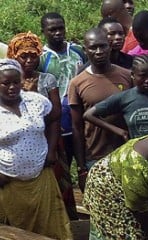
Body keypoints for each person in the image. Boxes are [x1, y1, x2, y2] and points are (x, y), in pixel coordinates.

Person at [0, 58, 71, 240]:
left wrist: (51, 149)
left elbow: (55, 118)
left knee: (49, 231)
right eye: (5, 83)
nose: (12, 87)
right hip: (8, 183)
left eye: (16, 82)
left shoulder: (36, 101)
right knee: (11, 236)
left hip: (41, 179)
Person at [8, 31, 76, 219]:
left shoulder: (47, 79)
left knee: (55, 182)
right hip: (17, 143)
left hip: (48, 138)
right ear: (14, 56)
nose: (29, 60)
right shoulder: (9, 82)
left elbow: (55, 114)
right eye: (24, 56)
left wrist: (33, 96)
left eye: (33, 55)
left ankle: (60, 222)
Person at [68, 28, 133, 184]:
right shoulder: (77, 83)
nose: (99, 52)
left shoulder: (126, 76)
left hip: (126, 153)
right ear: (85, 50)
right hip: (95, 156)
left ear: (109, 46)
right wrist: (81, 167)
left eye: (102, 46)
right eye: (93, 47)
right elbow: (77, 127)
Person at [85, 55, 148, 140]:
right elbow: (89, 115)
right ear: (133, 75)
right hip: (137, 156)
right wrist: (119, 131)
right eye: (143, 76)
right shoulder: (124, 97)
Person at [40, 13, 85, 170]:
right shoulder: (41, 58)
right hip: (56, 123)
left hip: (80, 119)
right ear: (43, 31)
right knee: (59, 170)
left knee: (83, 165)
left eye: (61, 28)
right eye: (52, 30)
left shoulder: (78, 51)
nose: (58, 33)